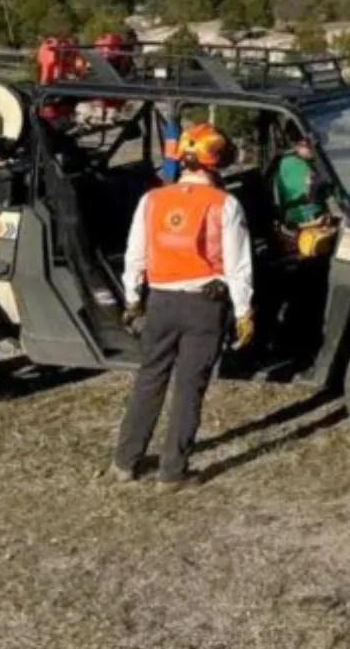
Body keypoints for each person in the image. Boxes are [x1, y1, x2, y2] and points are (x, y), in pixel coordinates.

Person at [110, 121, 255, 490]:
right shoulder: (226, 204)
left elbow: (135, 254)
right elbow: (239, 266)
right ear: (216, 160)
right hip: (205, 307)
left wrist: (131, 298)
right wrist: (243, 312)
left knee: (149, 379)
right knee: (190, 387)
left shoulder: (152, 200)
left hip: (159, 302)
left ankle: (126, 460)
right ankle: (173, 471)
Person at [273, 136, 325, 227]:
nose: (311, 148)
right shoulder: (294, 163)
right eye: (307, 145)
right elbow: (308, 196)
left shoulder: (288, 161)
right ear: (297, 146)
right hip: (302, 216)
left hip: (299, 213)